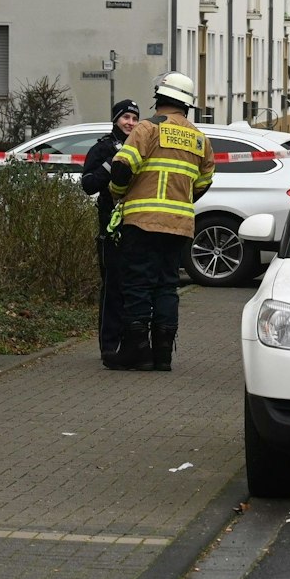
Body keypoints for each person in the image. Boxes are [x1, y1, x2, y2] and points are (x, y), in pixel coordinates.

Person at [107, 73, 213, 372]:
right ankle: (163, 355)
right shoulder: (199, 138)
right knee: (167, 286)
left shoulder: (148, 127)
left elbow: (121, 169)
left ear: (159, 99)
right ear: (187, 105)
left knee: (138, 285)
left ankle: (137, 351)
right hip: (179, 226)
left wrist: (118, 195)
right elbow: (204, 182)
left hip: (142, 222)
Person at [80, 99, 141, 368]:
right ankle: (108, 346)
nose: (130, 123)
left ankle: (131, 346)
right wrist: (110, 164)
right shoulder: (102, 147)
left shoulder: (142, 147)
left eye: (134, 118)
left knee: (132, 290)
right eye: (125, 117)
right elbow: (88, 185)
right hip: (110, 231)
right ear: (116, 120)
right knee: (112, 290)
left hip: (137, 228)